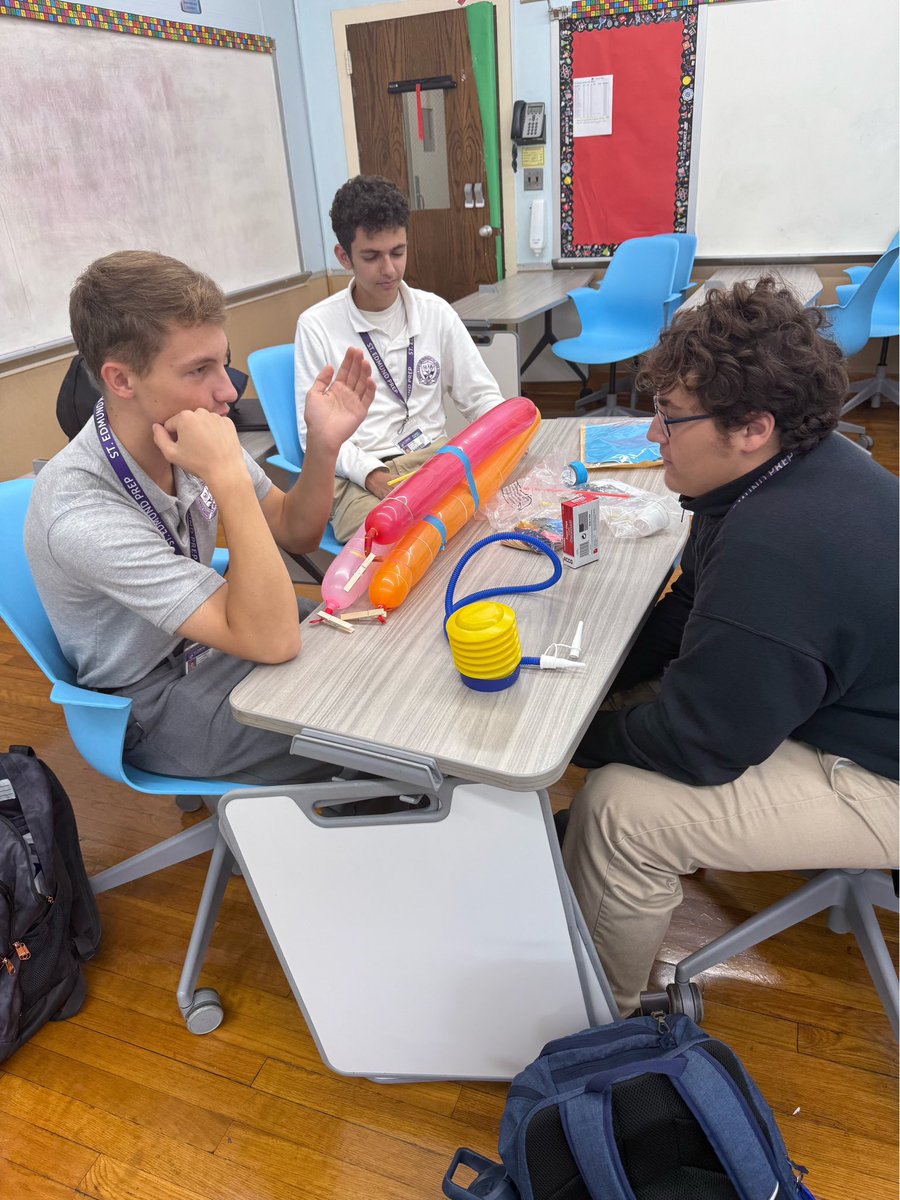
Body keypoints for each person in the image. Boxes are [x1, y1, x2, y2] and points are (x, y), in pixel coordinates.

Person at [562, 277, 899, 1016]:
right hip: (858, 697)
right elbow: (688, 608)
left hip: (885, 774)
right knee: (623, 711)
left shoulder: (776, 549)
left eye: (671, 419)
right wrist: (596, 683)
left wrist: (573, 740)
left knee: (619, 813)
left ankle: (600, 1020)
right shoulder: (777, 474)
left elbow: (699, 744)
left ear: (752, 425)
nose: (654, 435)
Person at [25, 250, 375, 785]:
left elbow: (295, 528)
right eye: (198, 370)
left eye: (223, 360)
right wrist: (230, 479)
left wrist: (324, 447)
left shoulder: (187, 428)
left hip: (219, 638)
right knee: (374, 721)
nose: (228, 392)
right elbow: (274, 639)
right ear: (121, 380)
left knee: (381, 653)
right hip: (153, 701)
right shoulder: (80, 510)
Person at [294, 174, 505, 543]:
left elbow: (482, 398)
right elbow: (312, 434)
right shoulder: (317, 326)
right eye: (372, 257)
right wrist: (371, 474)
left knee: (487, 527)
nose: (389, 269)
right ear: (344, 256)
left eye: (398, 252)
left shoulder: (434, 311)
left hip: (436, 458)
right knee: (399, 546)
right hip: (361, 475)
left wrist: (502, 439)